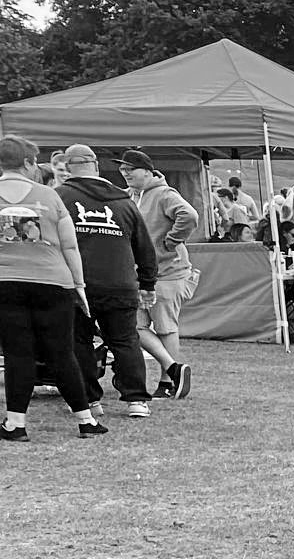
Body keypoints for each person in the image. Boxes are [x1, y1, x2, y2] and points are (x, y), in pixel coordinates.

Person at [1, 136, 104, 441]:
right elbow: (70, 246)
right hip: (53, 282)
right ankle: (86, 420)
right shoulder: (50, 196)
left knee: (18, 353)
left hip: (6, 283)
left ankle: (15, 424)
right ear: (30, 163)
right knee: (62, 352)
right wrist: (80, 286)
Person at [55, 144, 158, 421]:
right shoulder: (124, 201)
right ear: (97, 167)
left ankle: (89, 400)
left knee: (80, 341)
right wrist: (148, 283)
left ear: (67, 168)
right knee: (125, 340)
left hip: (77, 283)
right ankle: (136, 400)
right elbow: (144, 247)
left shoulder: (58, 197)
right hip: (120, 282)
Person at [119, 151, 197, 399]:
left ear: (148, 171)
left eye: (131, 169)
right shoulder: (130, 195)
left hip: (167, 272)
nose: (126, 173)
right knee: (135, 326)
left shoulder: (164, 194)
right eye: (123, 169)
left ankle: (168, 382)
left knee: (165, 327)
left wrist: (169, 242)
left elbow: (190, 216)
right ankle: (174, 370)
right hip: (141, 273)